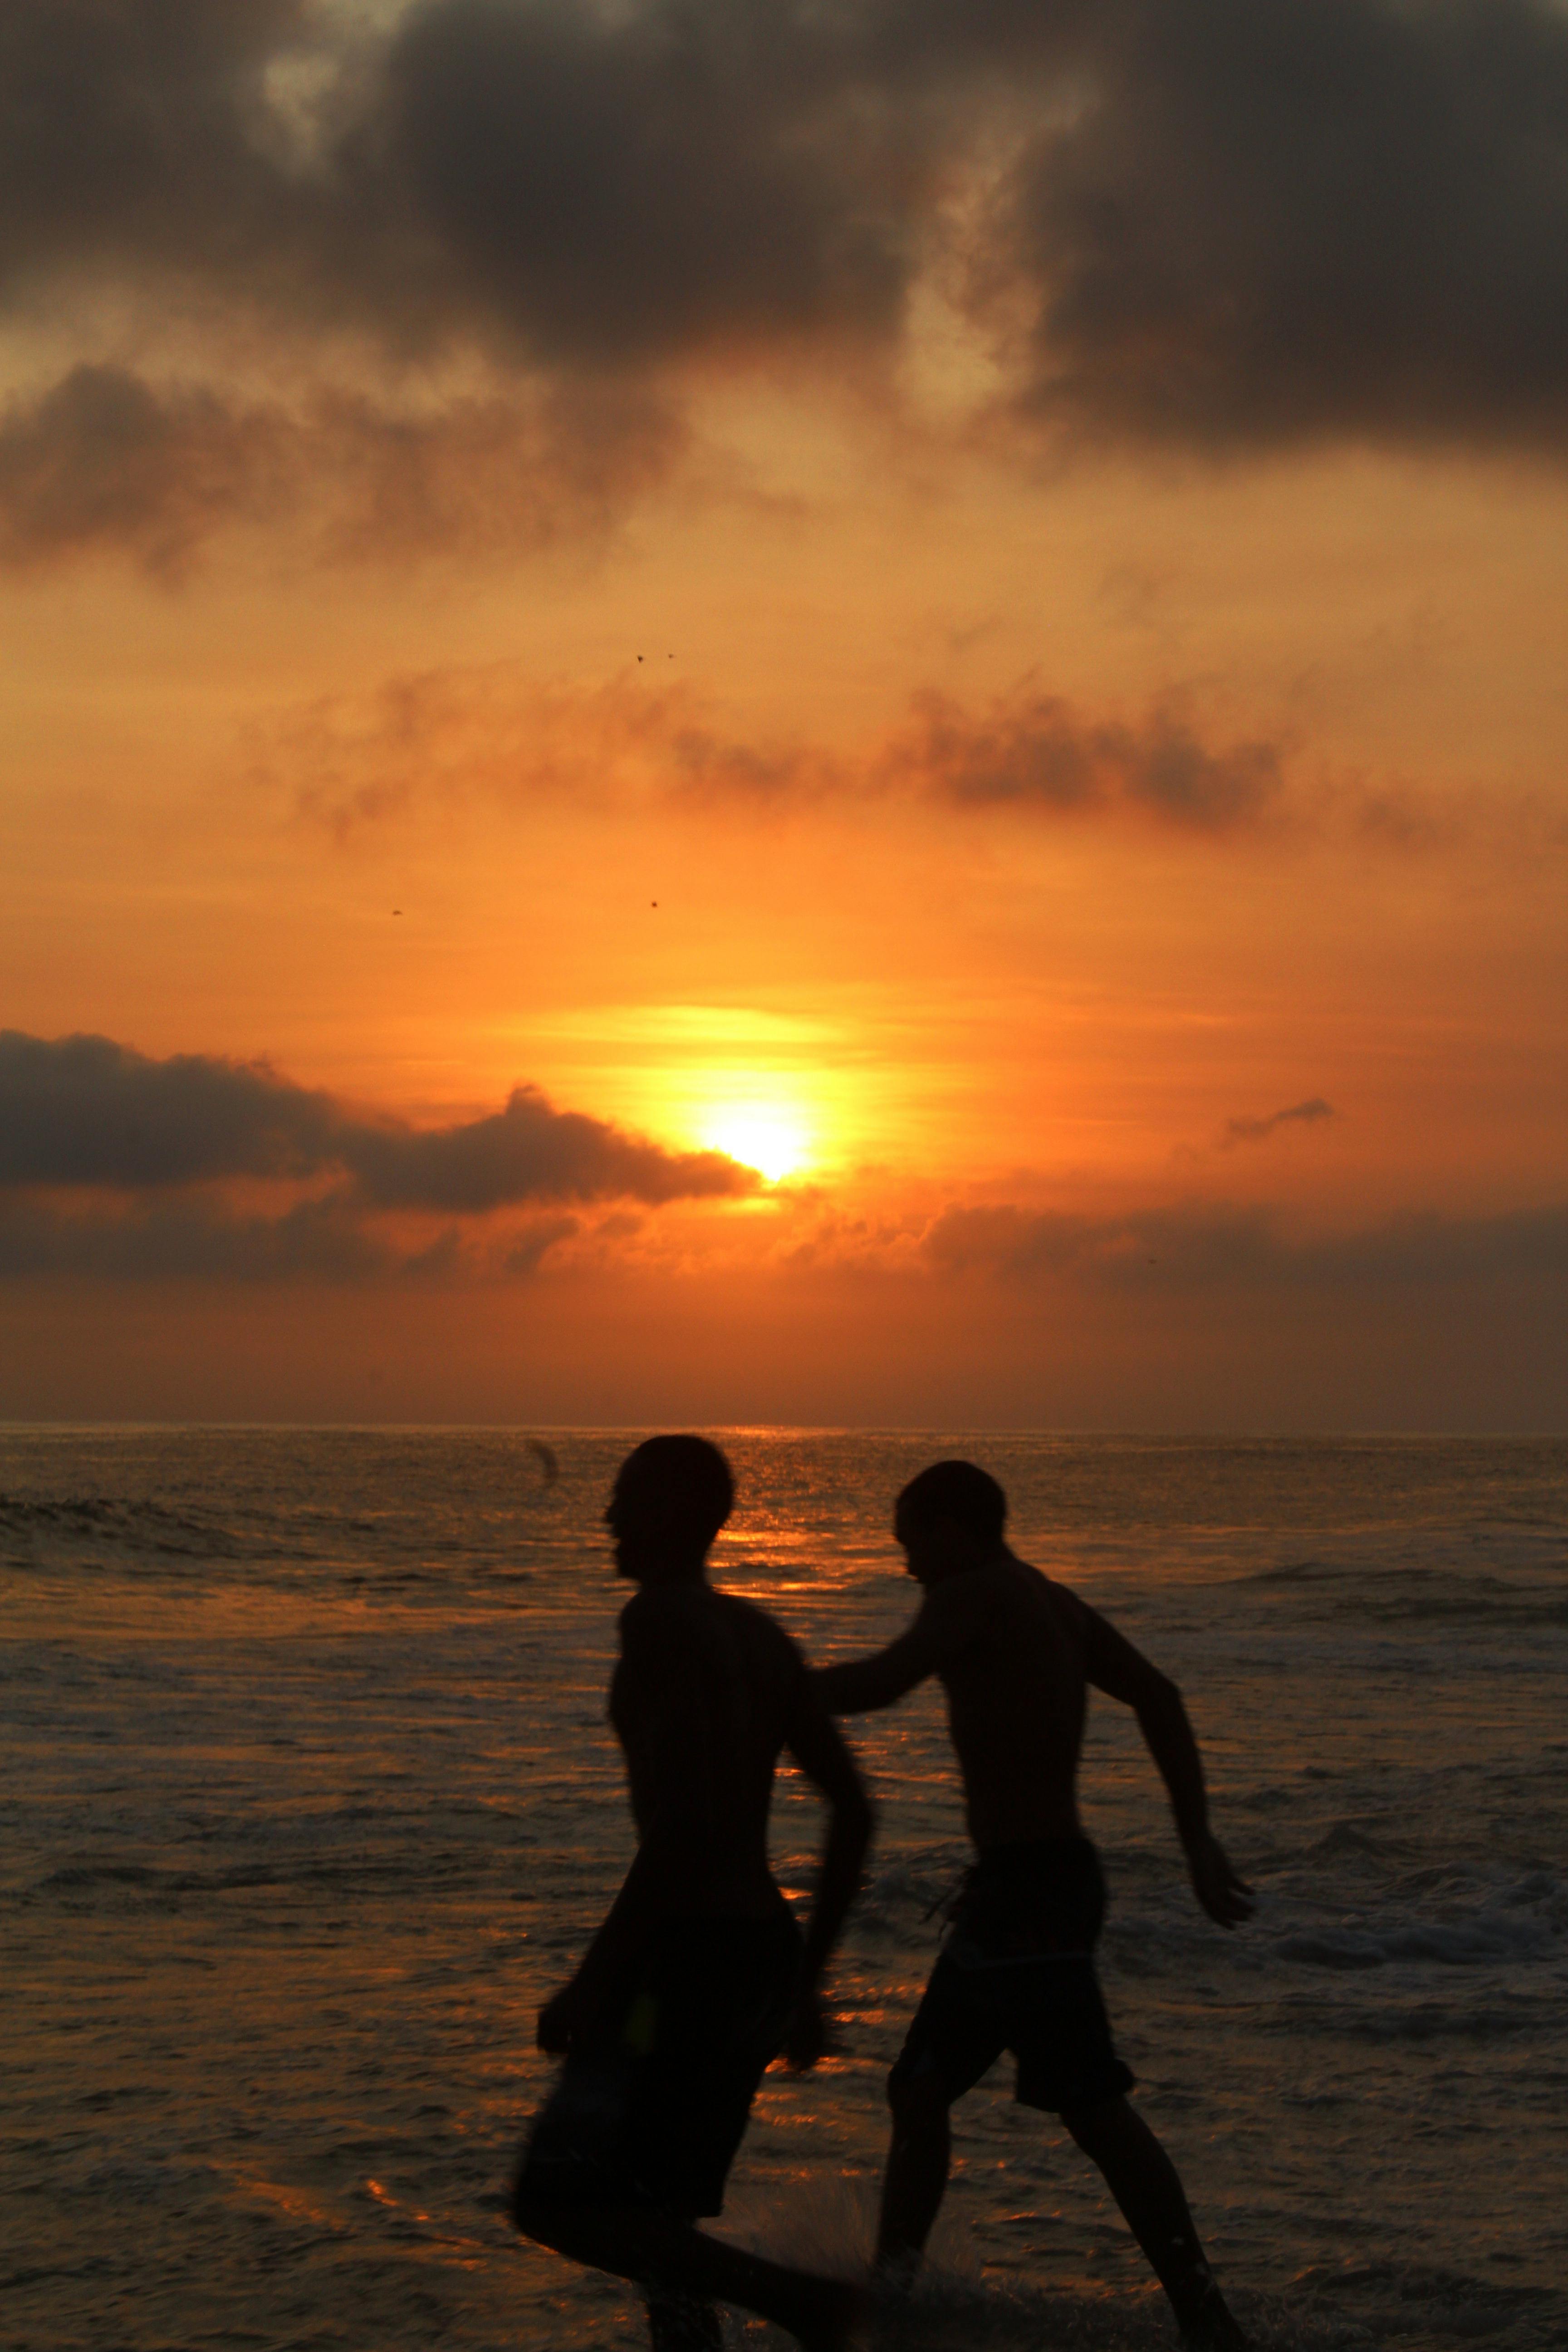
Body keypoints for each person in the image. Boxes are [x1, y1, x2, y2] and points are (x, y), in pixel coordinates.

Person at [814, 1459, 1254, 2351]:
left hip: (1037, 1893)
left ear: (950, 1528)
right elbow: (1158, 1696)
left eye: (909, 1544)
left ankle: (1206, 2315)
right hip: (1022, 1889)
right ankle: (891, 2296)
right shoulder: (1050, 1599)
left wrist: (764, 1685)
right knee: (922, 2087)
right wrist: (1195, 1837)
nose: (907, 1567)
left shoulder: (973, 1590)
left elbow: (888, 1680)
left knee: (1092, 2107)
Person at [512, 1435, 873, 2352]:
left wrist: (595, 1982)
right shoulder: (761, 1635)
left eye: (626, 1497)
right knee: (662, 2226)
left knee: (558, 2201)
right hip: (756, 1960)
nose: (607, 1517)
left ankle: (807, 2306)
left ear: (672, 1511)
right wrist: (809, 1982)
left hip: (683, 1970)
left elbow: (682, 1831)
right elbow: (855, 1809)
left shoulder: (663, 1622)